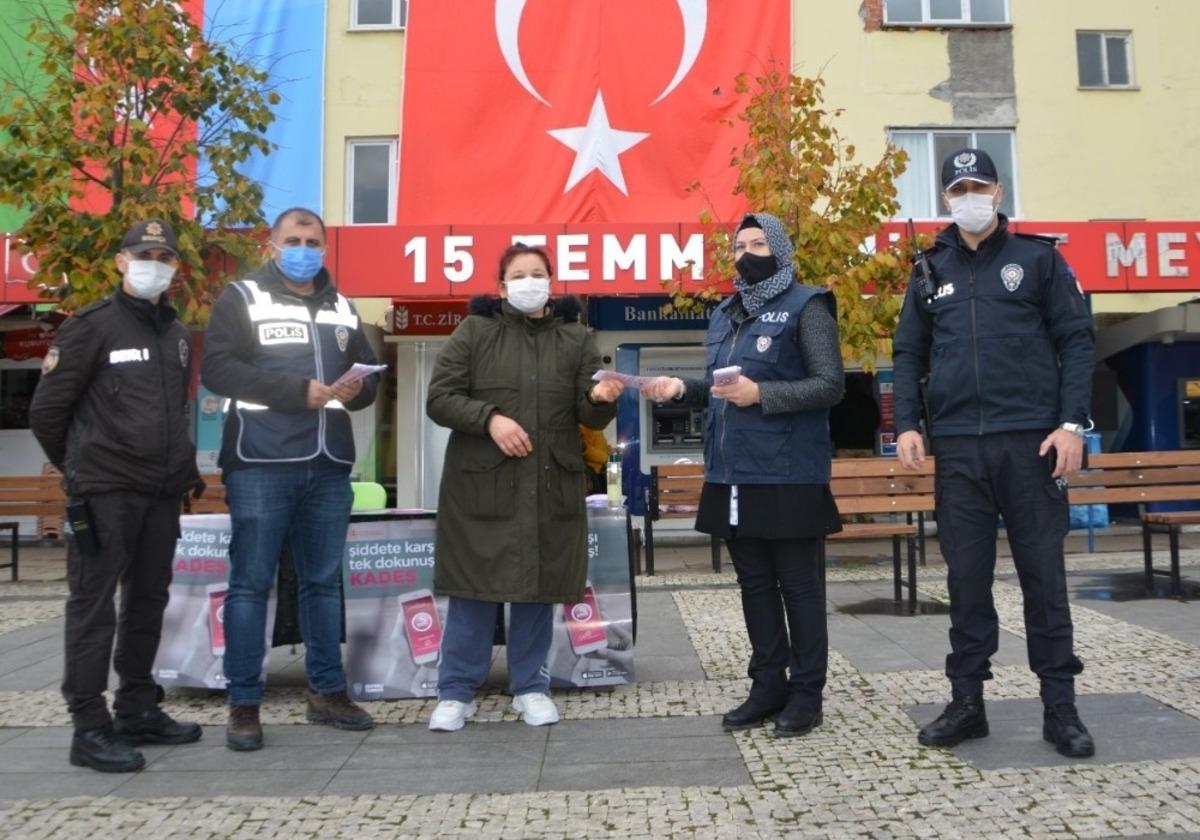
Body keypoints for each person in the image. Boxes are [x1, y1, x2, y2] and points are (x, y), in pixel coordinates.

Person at [892, 148, 1097, 758]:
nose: (969, 195)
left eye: (978, 184)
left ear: (999, 190)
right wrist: (907, 423)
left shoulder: (1039, 259)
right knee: (967, 581)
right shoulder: (928, 269)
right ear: (946, 200)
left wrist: (1071, 425)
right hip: (958, 448)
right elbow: (908, 353)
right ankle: (967, 704)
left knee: (1043, 576)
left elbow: (1077, 341)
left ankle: (1060, 708)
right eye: (958, 189)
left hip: (1032, 443)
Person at [640, 213, 844, 737]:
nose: (746, 252)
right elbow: (720, 387)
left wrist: (765, 395)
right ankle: (767, 685)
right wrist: (680, 388)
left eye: (758, 243)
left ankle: (807, 695)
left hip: (790, 473)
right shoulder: (724, 315)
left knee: (798, 587)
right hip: (732, 472)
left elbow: (829, 385)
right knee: (753, 584)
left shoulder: (808, 305)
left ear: (779, 249)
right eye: (738, 245)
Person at [201, 207, 380, 751]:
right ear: (272, 245)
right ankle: (244, 703)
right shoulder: (242, 298)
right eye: (294, 239)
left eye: (314, 240)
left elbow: (370, 379)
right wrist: (294, 392)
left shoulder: (343, 306)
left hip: (328, 464)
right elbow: (218, 369)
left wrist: (358, 390)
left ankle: (326, 691)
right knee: (251, 583)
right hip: (261, 459)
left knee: (324, 582)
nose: (305, 248)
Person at [424, 243, 623, 731]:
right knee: (474, 589)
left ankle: (530, 686)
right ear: (501, 286)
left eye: (538, 273)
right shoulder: (474, 332)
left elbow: (589, 411)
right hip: (482, 487)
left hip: (549, 483)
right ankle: (456, 692)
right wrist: (489, 419)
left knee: (536, 589)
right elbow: (440, 398)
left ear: (551, 284)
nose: (529, 282)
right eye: (519, 274)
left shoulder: (575, 338)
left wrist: (601, 398)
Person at [29, 218, 204, 773]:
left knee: (149, 602)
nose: (156, 263)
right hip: (105, 491)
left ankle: (136, 707)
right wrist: (82, 469)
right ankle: (88, 725)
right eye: (145, 253)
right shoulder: (90, 326)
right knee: (93, 607)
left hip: (160, 494)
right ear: (122, 262)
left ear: (175, 269)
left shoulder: (175, 334)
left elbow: (174, 413)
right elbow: (47, 413)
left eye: (166, 257)